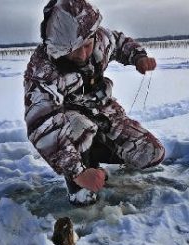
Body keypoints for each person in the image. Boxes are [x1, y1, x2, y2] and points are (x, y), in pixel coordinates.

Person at [23, 0, 165, 206]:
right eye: (74, 50)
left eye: (87, 46)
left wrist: (138, 57)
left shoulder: (100, 39)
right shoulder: (42, 70)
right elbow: (42, 126)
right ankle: (80, 178)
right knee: (81, 128)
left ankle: (95, 157)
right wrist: (77, 171)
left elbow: (119, 42)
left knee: (151, 152)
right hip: (69, 122)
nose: (82, 55)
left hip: (102, 111)